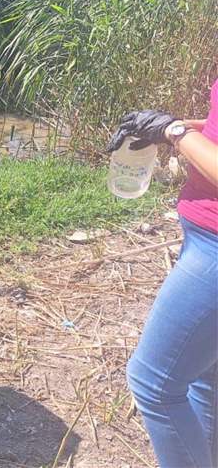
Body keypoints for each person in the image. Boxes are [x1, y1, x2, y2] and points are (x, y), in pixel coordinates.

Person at [107, 80, 218, 468]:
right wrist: (173, 129)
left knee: (153, 383)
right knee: (204, 376)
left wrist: (175, 130)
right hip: (206, 238)